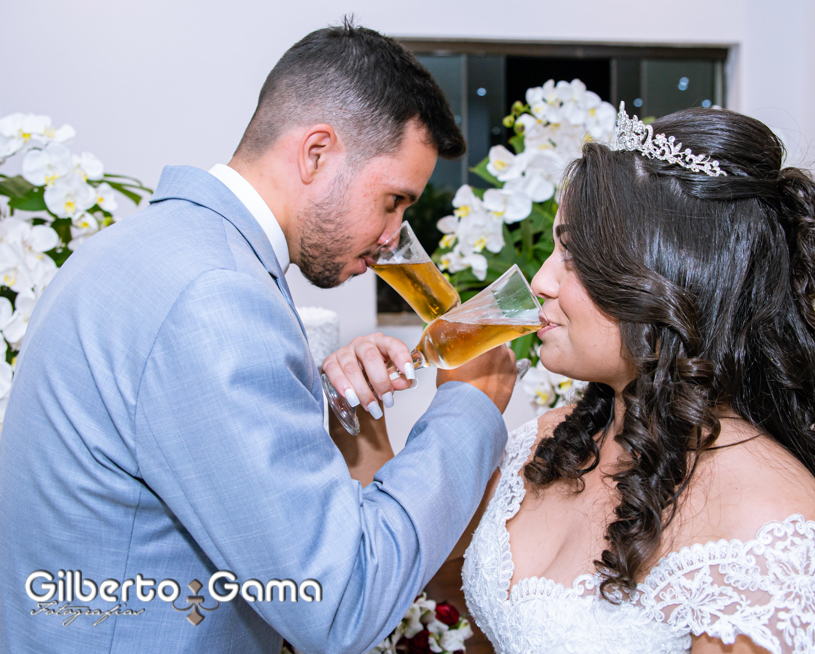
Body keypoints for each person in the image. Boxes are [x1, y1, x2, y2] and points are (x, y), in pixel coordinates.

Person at [0, 20, 517, 654]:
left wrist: (326, 407)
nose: (393, 237)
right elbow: (338, 602)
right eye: (393, 201)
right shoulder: (216, 296)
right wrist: (469, 405)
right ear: (317, 152)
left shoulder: (136, 248)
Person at [333, 107, 815, 653]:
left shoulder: (764, 523)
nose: (541, 281)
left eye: (573, 256)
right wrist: (361, 412)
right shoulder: (550, 443)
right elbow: (396, 556)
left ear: (664, 278)